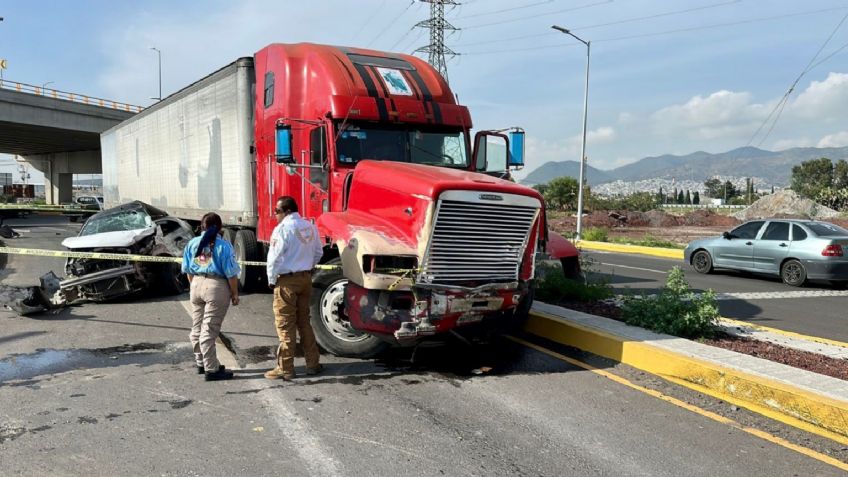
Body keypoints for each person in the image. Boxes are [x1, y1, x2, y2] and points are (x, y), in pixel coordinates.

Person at [264, 196, 324, 380]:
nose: (275, 215)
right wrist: (307, 268)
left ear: (286, 211)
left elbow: (273, 258)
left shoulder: (282, 229)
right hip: (305, 279)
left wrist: (271, 278)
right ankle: (312, 363)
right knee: (304, 322)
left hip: (287, 282)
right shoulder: (310, 226)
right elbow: (318, 252)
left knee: (285, 324)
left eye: (277, 211)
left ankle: (286, 367)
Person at [182, 212, 241, 382]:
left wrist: (196, 285)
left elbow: (187, 269)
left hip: (196, 284)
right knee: (209, 329)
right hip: (216, 286)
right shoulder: (223, 246)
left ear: (201, 226)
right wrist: (234, 293)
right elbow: (231, 273)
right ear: (220, 227)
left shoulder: (192, 244)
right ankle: (212, 369)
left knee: (197, 327)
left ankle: (202, 362)